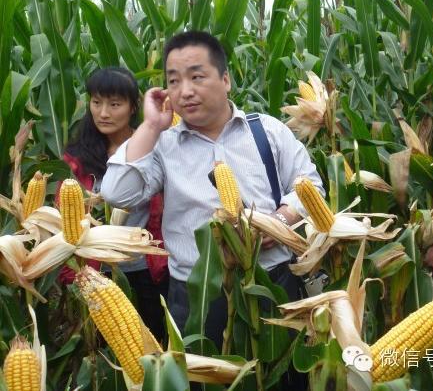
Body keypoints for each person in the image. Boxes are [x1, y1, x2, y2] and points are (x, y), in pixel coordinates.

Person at [100, 31, 324, 353]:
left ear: (226, 80)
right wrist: (150, 126)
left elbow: (309, 185)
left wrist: (278, 222)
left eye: (197, 77)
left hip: (273, 282)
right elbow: (116, 193)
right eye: (174, 81)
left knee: (282, 375)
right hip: (198, 293)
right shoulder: (163, 145)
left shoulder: (267, 131)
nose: (185, 91)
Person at [60, 67, 168, 342]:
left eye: (114, 104)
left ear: (133, 107)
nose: (103, 113)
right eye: (96, 102)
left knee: (152, 344)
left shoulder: (152, 148)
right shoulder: (76, 159)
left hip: (146, 271)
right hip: (97, 275)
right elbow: (65, 220)